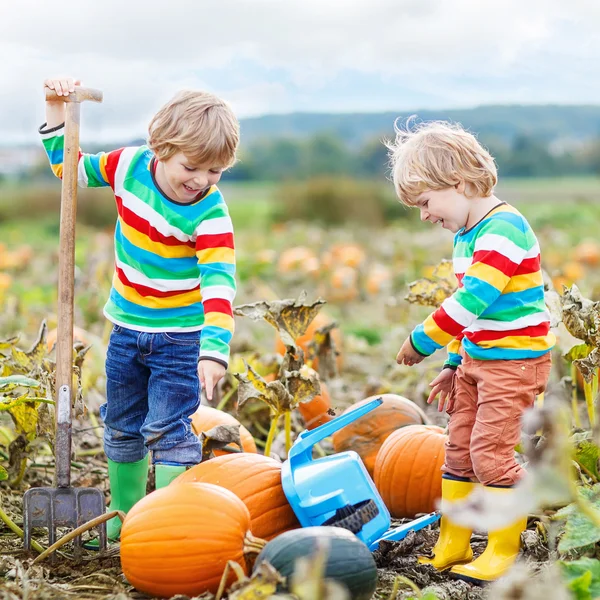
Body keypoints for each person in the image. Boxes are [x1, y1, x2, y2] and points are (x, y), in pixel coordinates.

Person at [40, 77, 239, 543]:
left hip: (181, 338)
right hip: (126, 329)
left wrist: (213, 349)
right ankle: (123, 517)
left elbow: (219, 283)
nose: (203, 181)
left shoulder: (209, 213)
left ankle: (166, 527)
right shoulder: (128, 166)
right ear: (161, 147)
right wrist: (54, 107)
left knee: (169, 429)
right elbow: (68, 170)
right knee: (122, 423)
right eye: (193, 167)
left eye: (216, 172)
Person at [389, 119, 554, 583]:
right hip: (479, 361)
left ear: (459, 183)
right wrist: (453, 363)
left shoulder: (505, 228)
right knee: (458, 451)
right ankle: (453, 542)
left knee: (490, 453)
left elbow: (471, 301)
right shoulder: (466, 235)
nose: (423, 214)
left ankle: (504, 545)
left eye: (425, 202)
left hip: (515, 365)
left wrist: (421, 341)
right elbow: (477, 320)